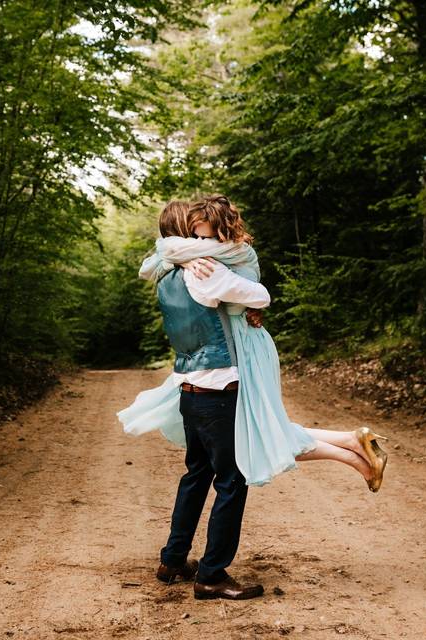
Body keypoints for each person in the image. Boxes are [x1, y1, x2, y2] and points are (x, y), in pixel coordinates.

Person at [119, 195, 388, 491]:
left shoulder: (212, 262)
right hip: (225, 358)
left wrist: (190, 260)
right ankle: (352, 444)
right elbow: (162, 256)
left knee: (260, 431)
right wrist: (184, 257)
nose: (196, 238)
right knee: (261, 429)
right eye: (192, 233)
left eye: (200, 233)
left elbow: (252, 291)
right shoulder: (187, 262)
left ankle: (355, 455)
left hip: (244, 354)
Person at [144, 199, 271, 600]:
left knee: (196, 474)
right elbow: (259, 295)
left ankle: (173, 559)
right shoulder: (208, 269)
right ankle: (212, 574)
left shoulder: (167, 272)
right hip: (219, 389)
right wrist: (254, 302)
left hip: (189, 387)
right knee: (233, 480)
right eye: (193, 228)